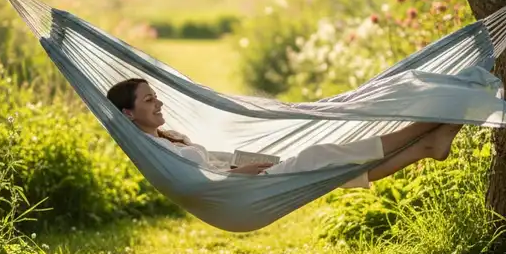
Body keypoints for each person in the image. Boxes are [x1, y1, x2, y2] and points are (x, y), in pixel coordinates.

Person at [106, 78, 463, 184]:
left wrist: (238, 164)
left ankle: (424, 147)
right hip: (238, 188)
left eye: (157, 97)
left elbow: (205, 163)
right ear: (128, 113)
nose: (159, 104)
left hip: (243, 175)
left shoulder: (171, 138)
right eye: (149, 100)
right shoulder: (153, 150)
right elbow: (197, 181)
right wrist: (236, 174)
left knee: (329, 172)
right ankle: (426, 125)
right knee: (320, 157)